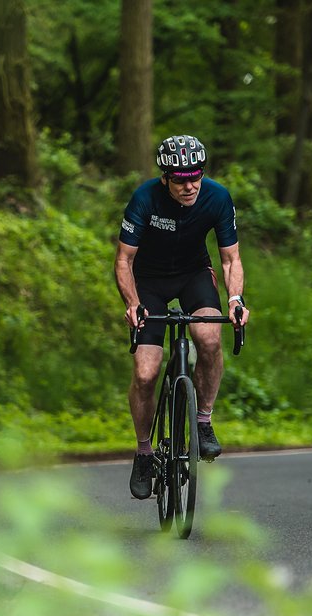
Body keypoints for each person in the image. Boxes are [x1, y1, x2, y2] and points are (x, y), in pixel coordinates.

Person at [114, 134, 250, 500]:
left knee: (208, 338)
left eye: (196, 176)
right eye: (180, 179)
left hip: (193, 274)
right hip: (149, 282)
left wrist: (235, 299)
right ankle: (144, 453)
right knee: (145, 373)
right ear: (165, 178)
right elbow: (124, 260)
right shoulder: (145, 198)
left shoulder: (217, 197)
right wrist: (131, 302)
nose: (190, 186)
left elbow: (230, 258)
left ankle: (203, 421)